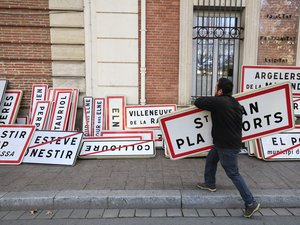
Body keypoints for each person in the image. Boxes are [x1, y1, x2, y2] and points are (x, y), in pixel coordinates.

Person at [194, 77, 260, 218]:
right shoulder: (235, 102)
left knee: (233, 173)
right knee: (211, 159)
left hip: (226, 145)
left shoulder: (218, 102)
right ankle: (210, 183)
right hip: (226, 142)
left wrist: (213, 97)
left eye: (216, 87)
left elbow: (198, 102)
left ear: (220, 90)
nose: (214, 89)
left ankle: (250, 202)